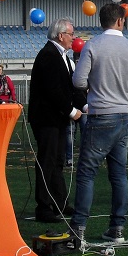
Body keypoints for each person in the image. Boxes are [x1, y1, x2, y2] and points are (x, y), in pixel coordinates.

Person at [69, 3, 128, 247]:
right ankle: (117, 227)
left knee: (86, 174)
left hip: (100, 115)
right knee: (118, 174)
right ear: (121, 21)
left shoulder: (93, 45)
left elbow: (79, 81)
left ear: (102, 21)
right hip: (123, 116)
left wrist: (99, 86)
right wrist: (121, 88)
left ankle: (79, 227)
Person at [28, 18, 86, 223]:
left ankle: (59, 202)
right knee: (47, 160)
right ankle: (43, 207)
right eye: (71, 34)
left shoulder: (62, 57)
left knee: (57, 160)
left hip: (56, 119)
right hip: (46, 118)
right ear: (61, 35)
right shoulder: (48, 55)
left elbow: (71, 88)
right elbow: (52, 90)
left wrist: (84, 106)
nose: (74, 38)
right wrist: (72, 111)